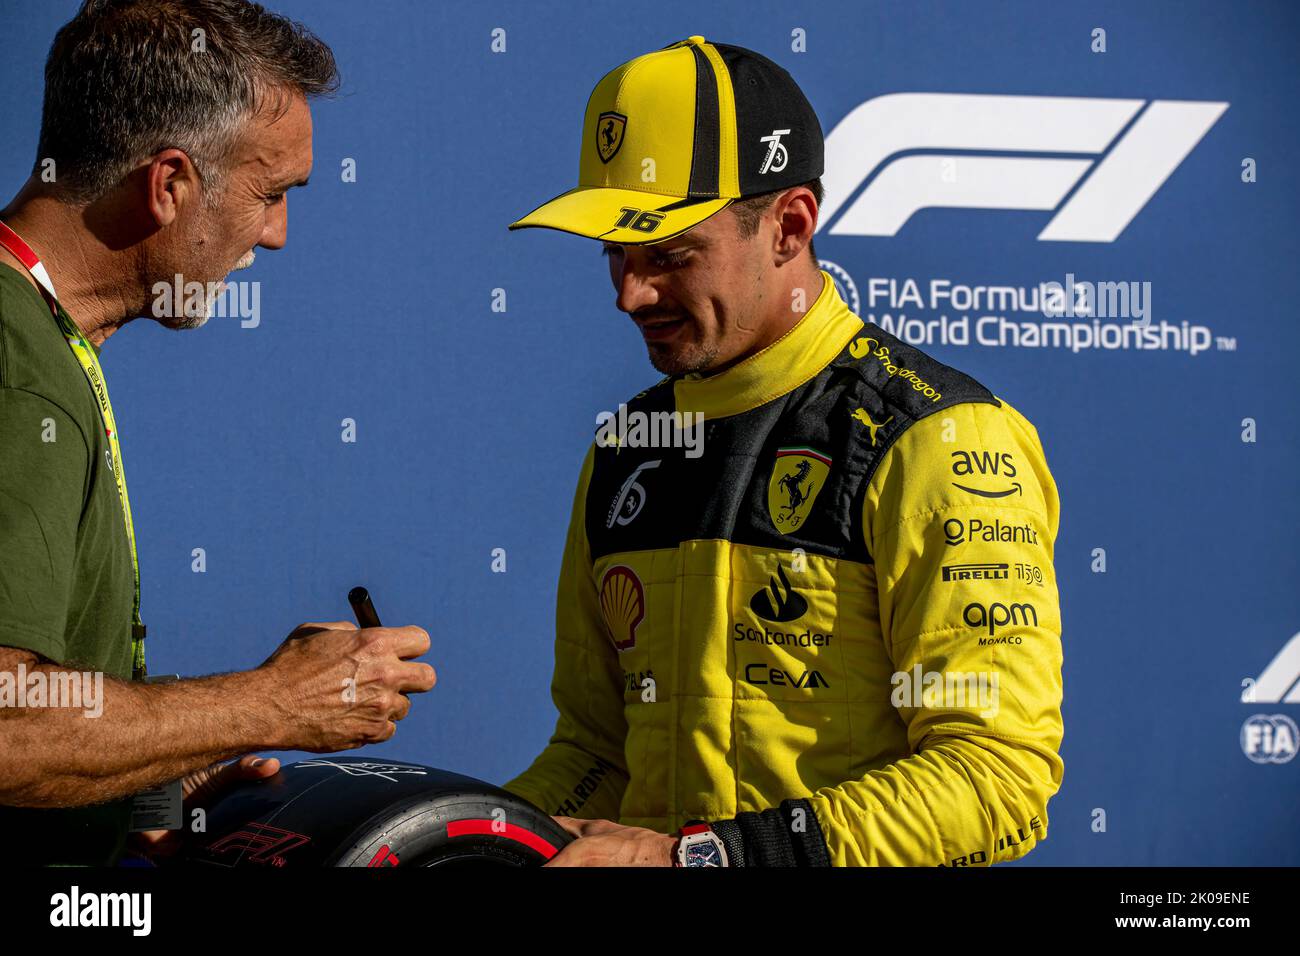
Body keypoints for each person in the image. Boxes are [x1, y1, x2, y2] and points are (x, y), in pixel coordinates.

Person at [501, 36, 1064, 867]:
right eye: (613, 252)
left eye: (669, 255)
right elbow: (596, 755)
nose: (630, 293)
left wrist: (695, 859)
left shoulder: (940, 439)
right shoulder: (629, 447)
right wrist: (460, 828)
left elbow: (996, 779)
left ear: (789, 225)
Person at [0, 0, 435, 866]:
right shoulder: (21, 371)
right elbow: (9, 730)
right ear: (169, 186)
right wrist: (271, 704)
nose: (275, 236)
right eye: (270, 194)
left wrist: (146, 776)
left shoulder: (41, 341)